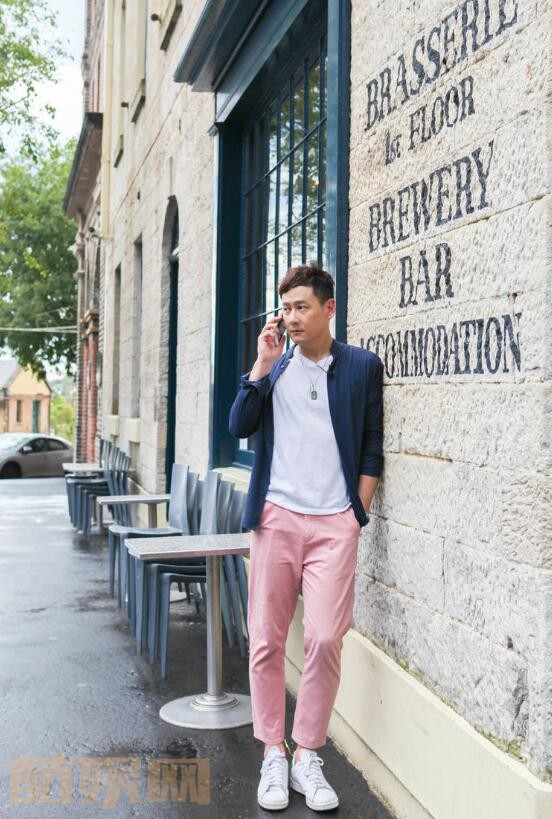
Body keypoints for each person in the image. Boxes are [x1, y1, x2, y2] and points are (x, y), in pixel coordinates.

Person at [229, 262, 383, 811]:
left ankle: (307, 755)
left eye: (302, 307)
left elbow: (371, 445)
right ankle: (273, 750)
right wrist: (261, 365)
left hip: (333, 525)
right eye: (286, 308)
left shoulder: (361, 366)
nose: (292, 318)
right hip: (277, 519)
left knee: (323, 639)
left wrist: (355, 513)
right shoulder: (276, 366)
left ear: (329, 309)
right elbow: (238, 426)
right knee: (267, 640)